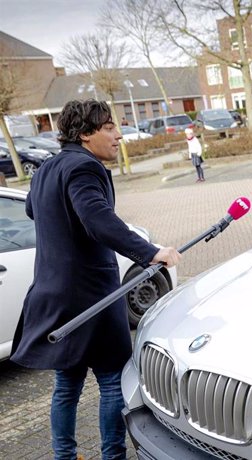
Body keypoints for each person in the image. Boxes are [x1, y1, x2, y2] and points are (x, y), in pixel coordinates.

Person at [10, 99, 181, 460]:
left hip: (54, 292)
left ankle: (64, 456)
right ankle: (112, 455)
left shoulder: (46, 169)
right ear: (86, 134)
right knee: (112, 381)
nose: (118, 135)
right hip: (91, 298)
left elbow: (32, 209)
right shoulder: (85, 169)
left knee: (67, 384)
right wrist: (151, 251)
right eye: (108, 128)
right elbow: (98, 219)